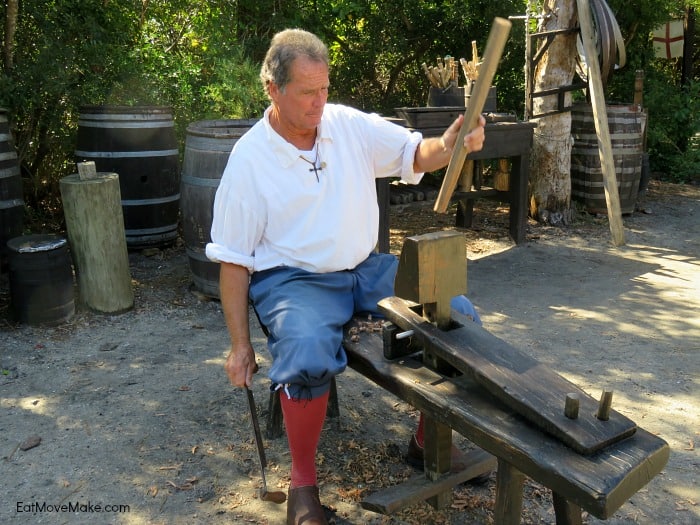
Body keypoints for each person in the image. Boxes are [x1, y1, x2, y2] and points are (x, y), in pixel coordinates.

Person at [206, 28, 486, 525]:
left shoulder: (346, 125)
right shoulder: (249, 161)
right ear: (273, 88)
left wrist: (450, 143)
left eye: (325, 88)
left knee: (457, 315)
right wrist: (239, 344)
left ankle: (427, 441)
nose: (320, 102)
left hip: (366, 269)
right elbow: (232, 261)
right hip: (295, 281)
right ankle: (303, 492)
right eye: (307, 92)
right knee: (308, 351)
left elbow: (414, 155)